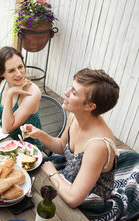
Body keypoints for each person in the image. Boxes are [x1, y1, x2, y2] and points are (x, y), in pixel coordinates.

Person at [24, 68, 120, 208]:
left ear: (90, 106)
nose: (66, 93)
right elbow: (62, 147)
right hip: (67, 179)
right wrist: (40, 134)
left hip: (87, 202)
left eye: (74, 92)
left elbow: (74, 199)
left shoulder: (97, 145)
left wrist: (53, 173)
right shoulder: (74, 116)